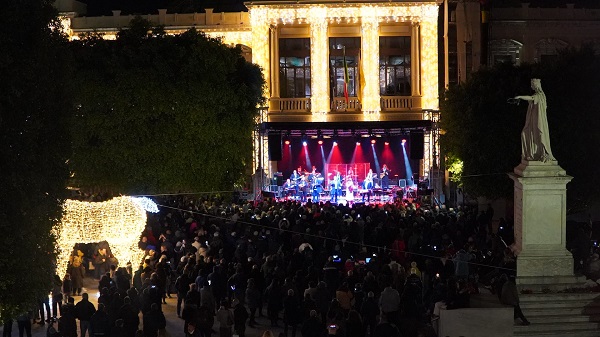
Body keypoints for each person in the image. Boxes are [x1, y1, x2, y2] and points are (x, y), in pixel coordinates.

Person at [514, 78, 555, 162]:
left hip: (539, 121)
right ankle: (532, 154)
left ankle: (543, 153)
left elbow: (531, 98)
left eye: (532, 84)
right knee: (525, 134)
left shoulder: (540, 95)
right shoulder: (538, 95)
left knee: (539, 136)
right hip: (533, 120)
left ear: (536, 85)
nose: (531, 86)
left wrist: (520, 97)